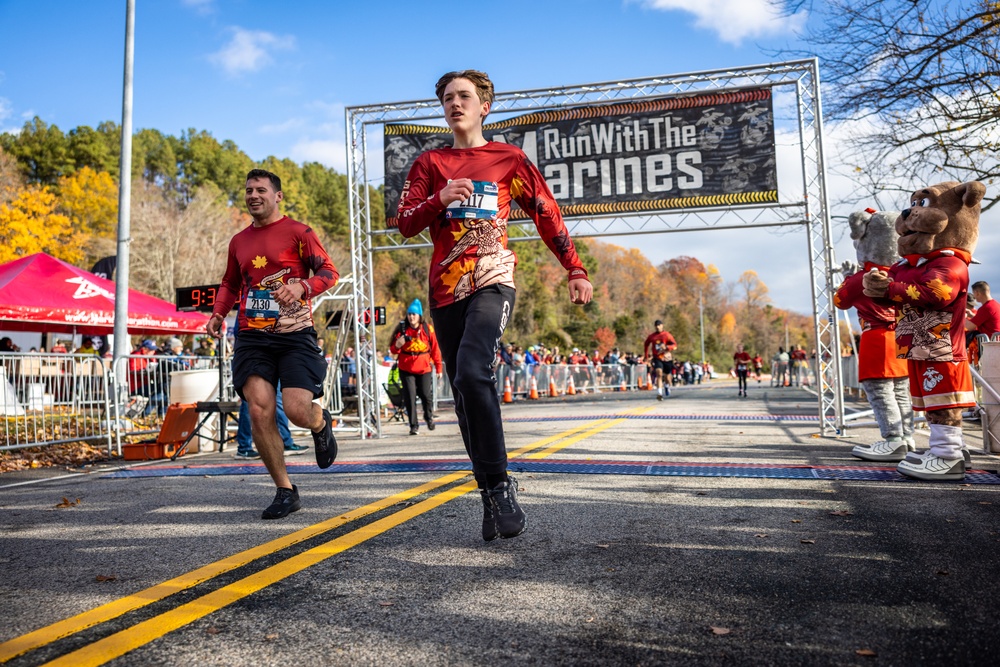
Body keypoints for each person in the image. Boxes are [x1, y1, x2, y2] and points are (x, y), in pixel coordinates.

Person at [396, 69, 592, 541]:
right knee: (464, 396)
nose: (454, 103)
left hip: (492, 278)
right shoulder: (429, 163)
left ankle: (501, 484)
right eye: (447, 98)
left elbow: (546, 212)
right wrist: (438, 200)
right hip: (445, 290)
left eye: (464, 96)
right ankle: (488, 489)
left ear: (484, 106)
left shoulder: (508, 158)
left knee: (469, 372)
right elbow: (402, 224)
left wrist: (575, 268)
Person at [207, 168, 339, 520]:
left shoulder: (299, 233)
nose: (253, 195)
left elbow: (329, 272)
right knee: (259, 408)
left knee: (296, 410)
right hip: (252, 334)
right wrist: (219, 313)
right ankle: (285, 489)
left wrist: (301, 287)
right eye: (248, 190)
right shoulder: (239, 241)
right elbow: (230, 283)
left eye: (261, 190)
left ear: (277, 196)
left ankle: (320, 423)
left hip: (295, 334)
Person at [390, 299, 443, 435]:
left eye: (414, 314)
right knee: (410, 397)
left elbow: (436, 349)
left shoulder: (427, 329)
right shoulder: (402, 329)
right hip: (406, 368)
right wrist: (398, 345)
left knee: (426, 395)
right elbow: (393, 350)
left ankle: (428, 416)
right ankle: (414, 425)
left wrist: (439, 368)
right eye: (409, 314)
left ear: (419, 315)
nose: (411, 317)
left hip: (424, 367)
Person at [643, 319, 677, 400]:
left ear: (662, 325)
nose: (658, 327)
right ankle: (659, 393)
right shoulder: (652, 336)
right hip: (657, 358)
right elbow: (646, 344)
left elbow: (675, 345)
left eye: (659, 325)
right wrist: (646, 356)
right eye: (656, 326)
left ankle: (667, 385)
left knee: (668, 378)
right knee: (659, 374)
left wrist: (667, 347)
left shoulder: (667, 335)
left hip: (667, 358)